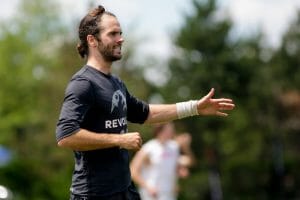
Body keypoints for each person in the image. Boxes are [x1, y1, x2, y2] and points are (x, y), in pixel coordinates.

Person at [55, 5, 235, 200]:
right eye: (113, 34)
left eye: (120, 33)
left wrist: (194, 107)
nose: (120, 39)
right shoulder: (83, 83)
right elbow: (65, 135)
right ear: (92, 40)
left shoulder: (116, 83)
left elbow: (146, 113)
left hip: (124, 190)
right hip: (93, 195)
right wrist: (118, 139)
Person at [130, 123, 194, 200]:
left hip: (170, 194)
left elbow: (189, 162)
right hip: (152, 195)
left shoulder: (174, 147)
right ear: (160, 130)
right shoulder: (148, 148)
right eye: (170, 129)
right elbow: (133, 170)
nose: (172, 131)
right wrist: (147, 187)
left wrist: (186, 148)